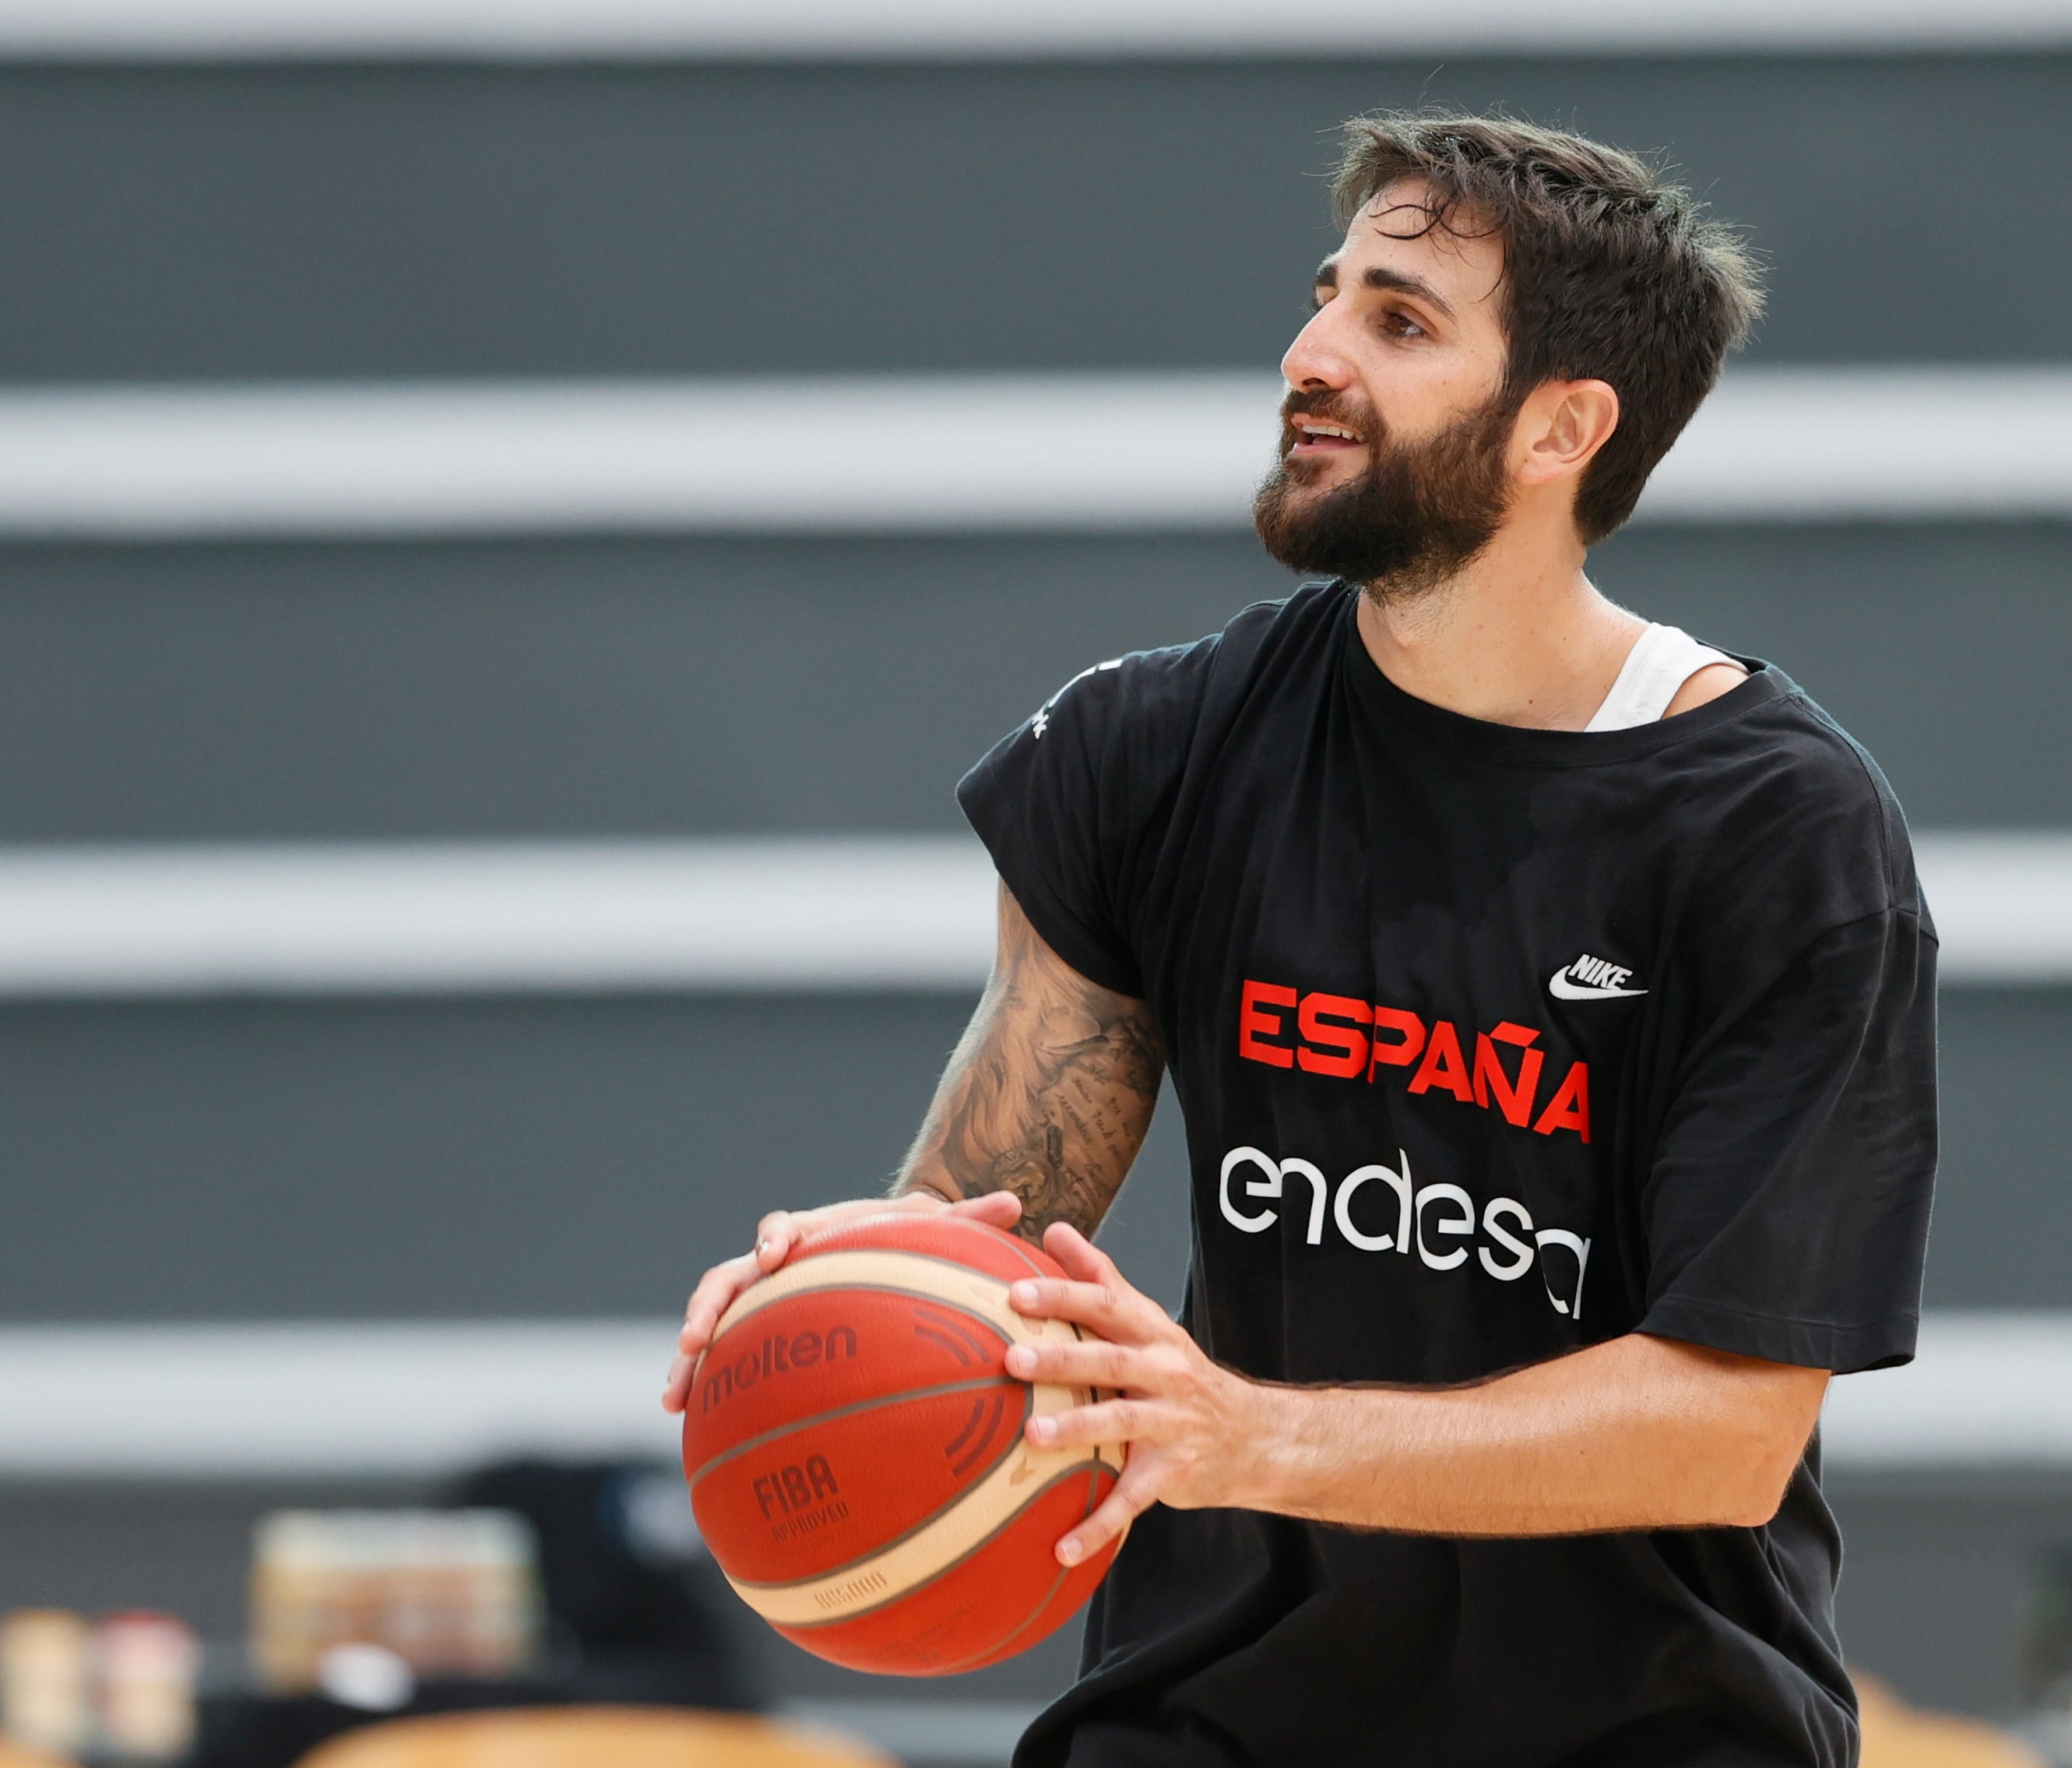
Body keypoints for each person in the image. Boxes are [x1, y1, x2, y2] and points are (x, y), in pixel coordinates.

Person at [667, 111, 1935, 1768]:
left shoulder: (1773, 829)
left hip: (1643, 1725)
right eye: (1328, 294)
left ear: (1564, 425)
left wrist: (1251, 1434)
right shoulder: (1154, 750)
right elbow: (995, 1233)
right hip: (1213, 1710)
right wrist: (838, 1294)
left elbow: (1723, 1428)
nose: (1312, 352)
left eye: (1399, 322)